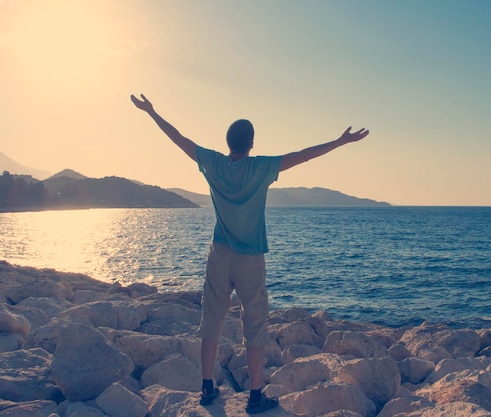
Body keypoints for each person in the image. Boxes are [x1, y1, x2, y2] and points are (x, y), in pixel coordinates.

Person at [131, 93, 369, 413]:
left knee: (211, 321)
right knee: (254, 327)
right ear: (251, 143)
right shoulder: (260, 168)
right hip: (250, 259)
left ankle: (206, 388)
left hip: (219, 255)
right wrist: (340, 141)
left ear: (228, 142)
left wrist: (152, 113)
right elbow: (303, 156)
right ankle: (255, 396)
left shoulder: (213, 163)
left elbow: (180, 139)